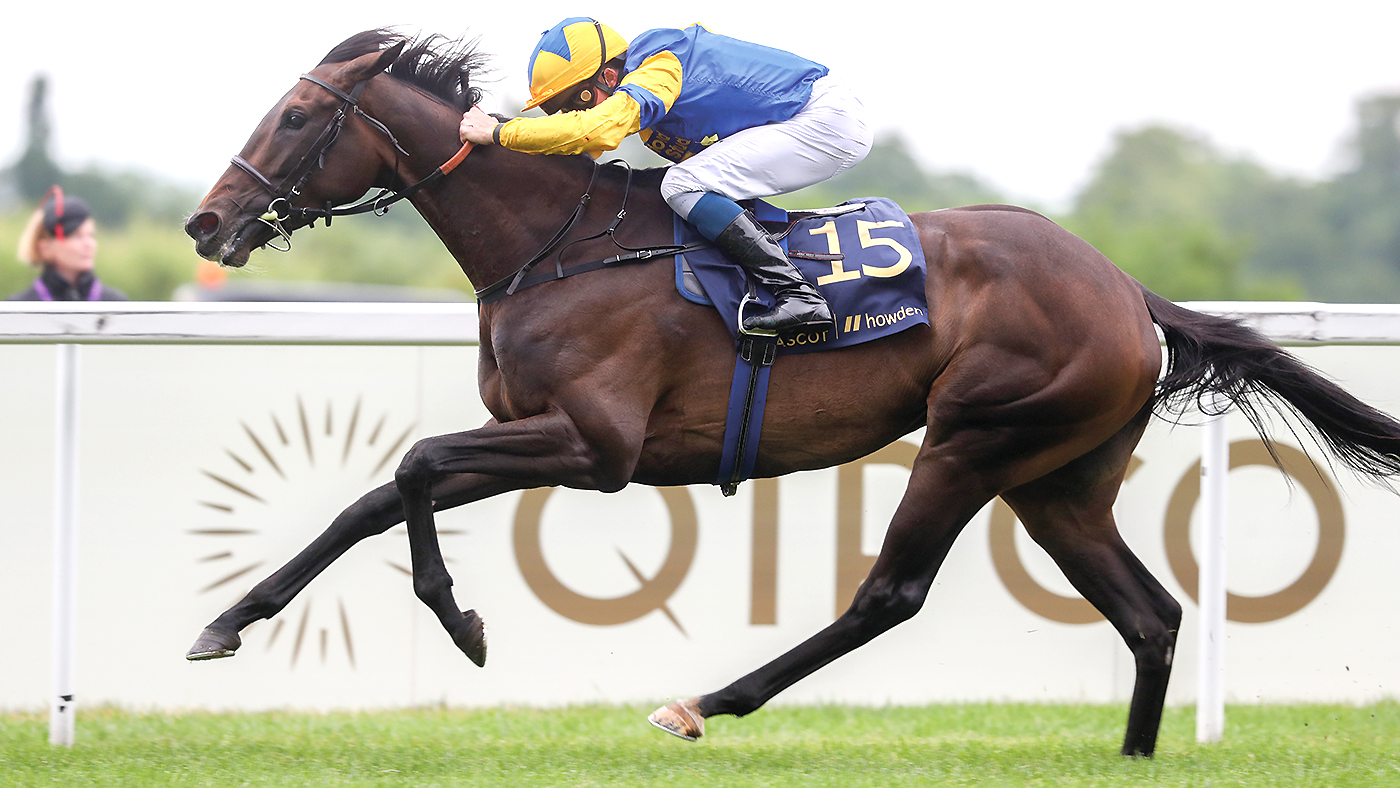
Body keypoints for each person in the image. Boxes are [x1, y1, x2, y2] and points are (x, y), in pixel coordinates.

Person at [459, 18, 872, 335]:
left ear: (607, 76)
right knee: (683, 182)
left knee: (680, 184)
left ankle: (798, 295)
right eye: (559, 111)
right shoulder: (641, 100)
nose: (571, 116)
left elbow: (596, 128)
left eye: (576, 101)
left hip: (823, 119)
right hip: (809, 120)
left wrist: (500, 131)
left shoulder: (658, 65)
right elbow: (582, 147)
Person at [10, 187, 127, 301]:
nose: (89, 244)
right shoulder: (19, 307)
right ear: (45, 247)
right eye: (76, 236)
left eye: (91, 235)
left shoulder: (115, 303)